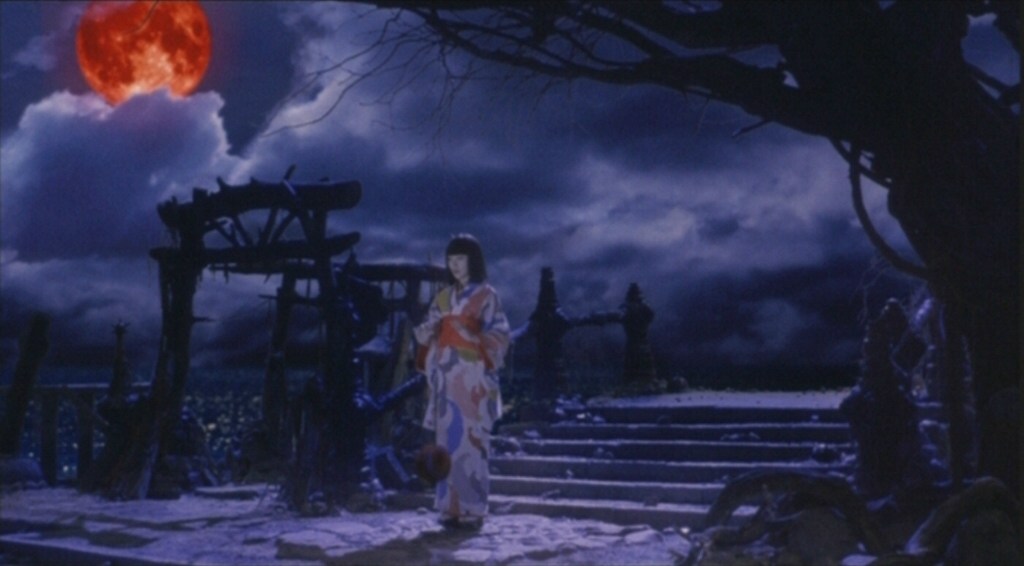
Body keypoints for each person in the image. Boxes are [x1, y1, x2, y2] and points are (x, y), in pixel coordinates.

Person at [414, 233, 510, 529]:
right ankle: (449, 508)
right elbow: (428, 330)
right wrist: (428, 332)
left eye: (461, 259)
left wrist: (473, 335)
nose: (454, 265)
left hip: (472, 375)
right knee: (447, 442)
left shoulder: (487, 296)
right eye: (451, 260)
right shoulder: (443, 298)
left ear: (473, 261)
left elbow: (500, 335)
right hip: (446, 374)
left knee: (472, 443)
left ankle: (472, 509)